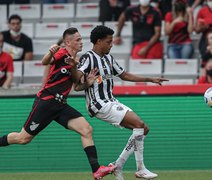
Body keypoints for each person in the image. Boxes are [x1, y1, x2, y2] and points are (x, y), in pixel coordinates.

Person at [0, 27, 116, 180]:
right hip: (47, 102)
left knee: (86, 129)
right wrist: (50, 51)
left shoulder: (77, 61)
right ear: (68, 42)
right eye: (78, 39)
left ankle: (97, 170)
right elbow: (44, 61)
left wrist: (87, 82)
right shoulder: (61, 52)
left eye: (81, 39)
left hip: (61, 105)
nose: (82, 42)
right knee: (23, 139)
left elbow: (77, 86)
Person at [72, 25, 169, 180]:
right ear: (98, 42)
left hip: (111, 100)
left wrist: (150, 79)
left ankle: (118, 166)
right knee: (138, 124)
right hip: (98, 103)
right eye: (109, 42)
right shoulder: (87, 57)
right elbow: (76, 83)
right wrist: (77, 70)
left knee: (144, 129)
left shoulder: (109, 58)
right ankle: (140, 168)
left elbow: (124, 75)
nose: (111, 45)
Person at [195, 0, 212, 66]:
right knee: (205, 58)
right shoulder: (202, 11)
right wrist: (205, 26)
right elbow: (197, 29)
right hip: (205, 39)